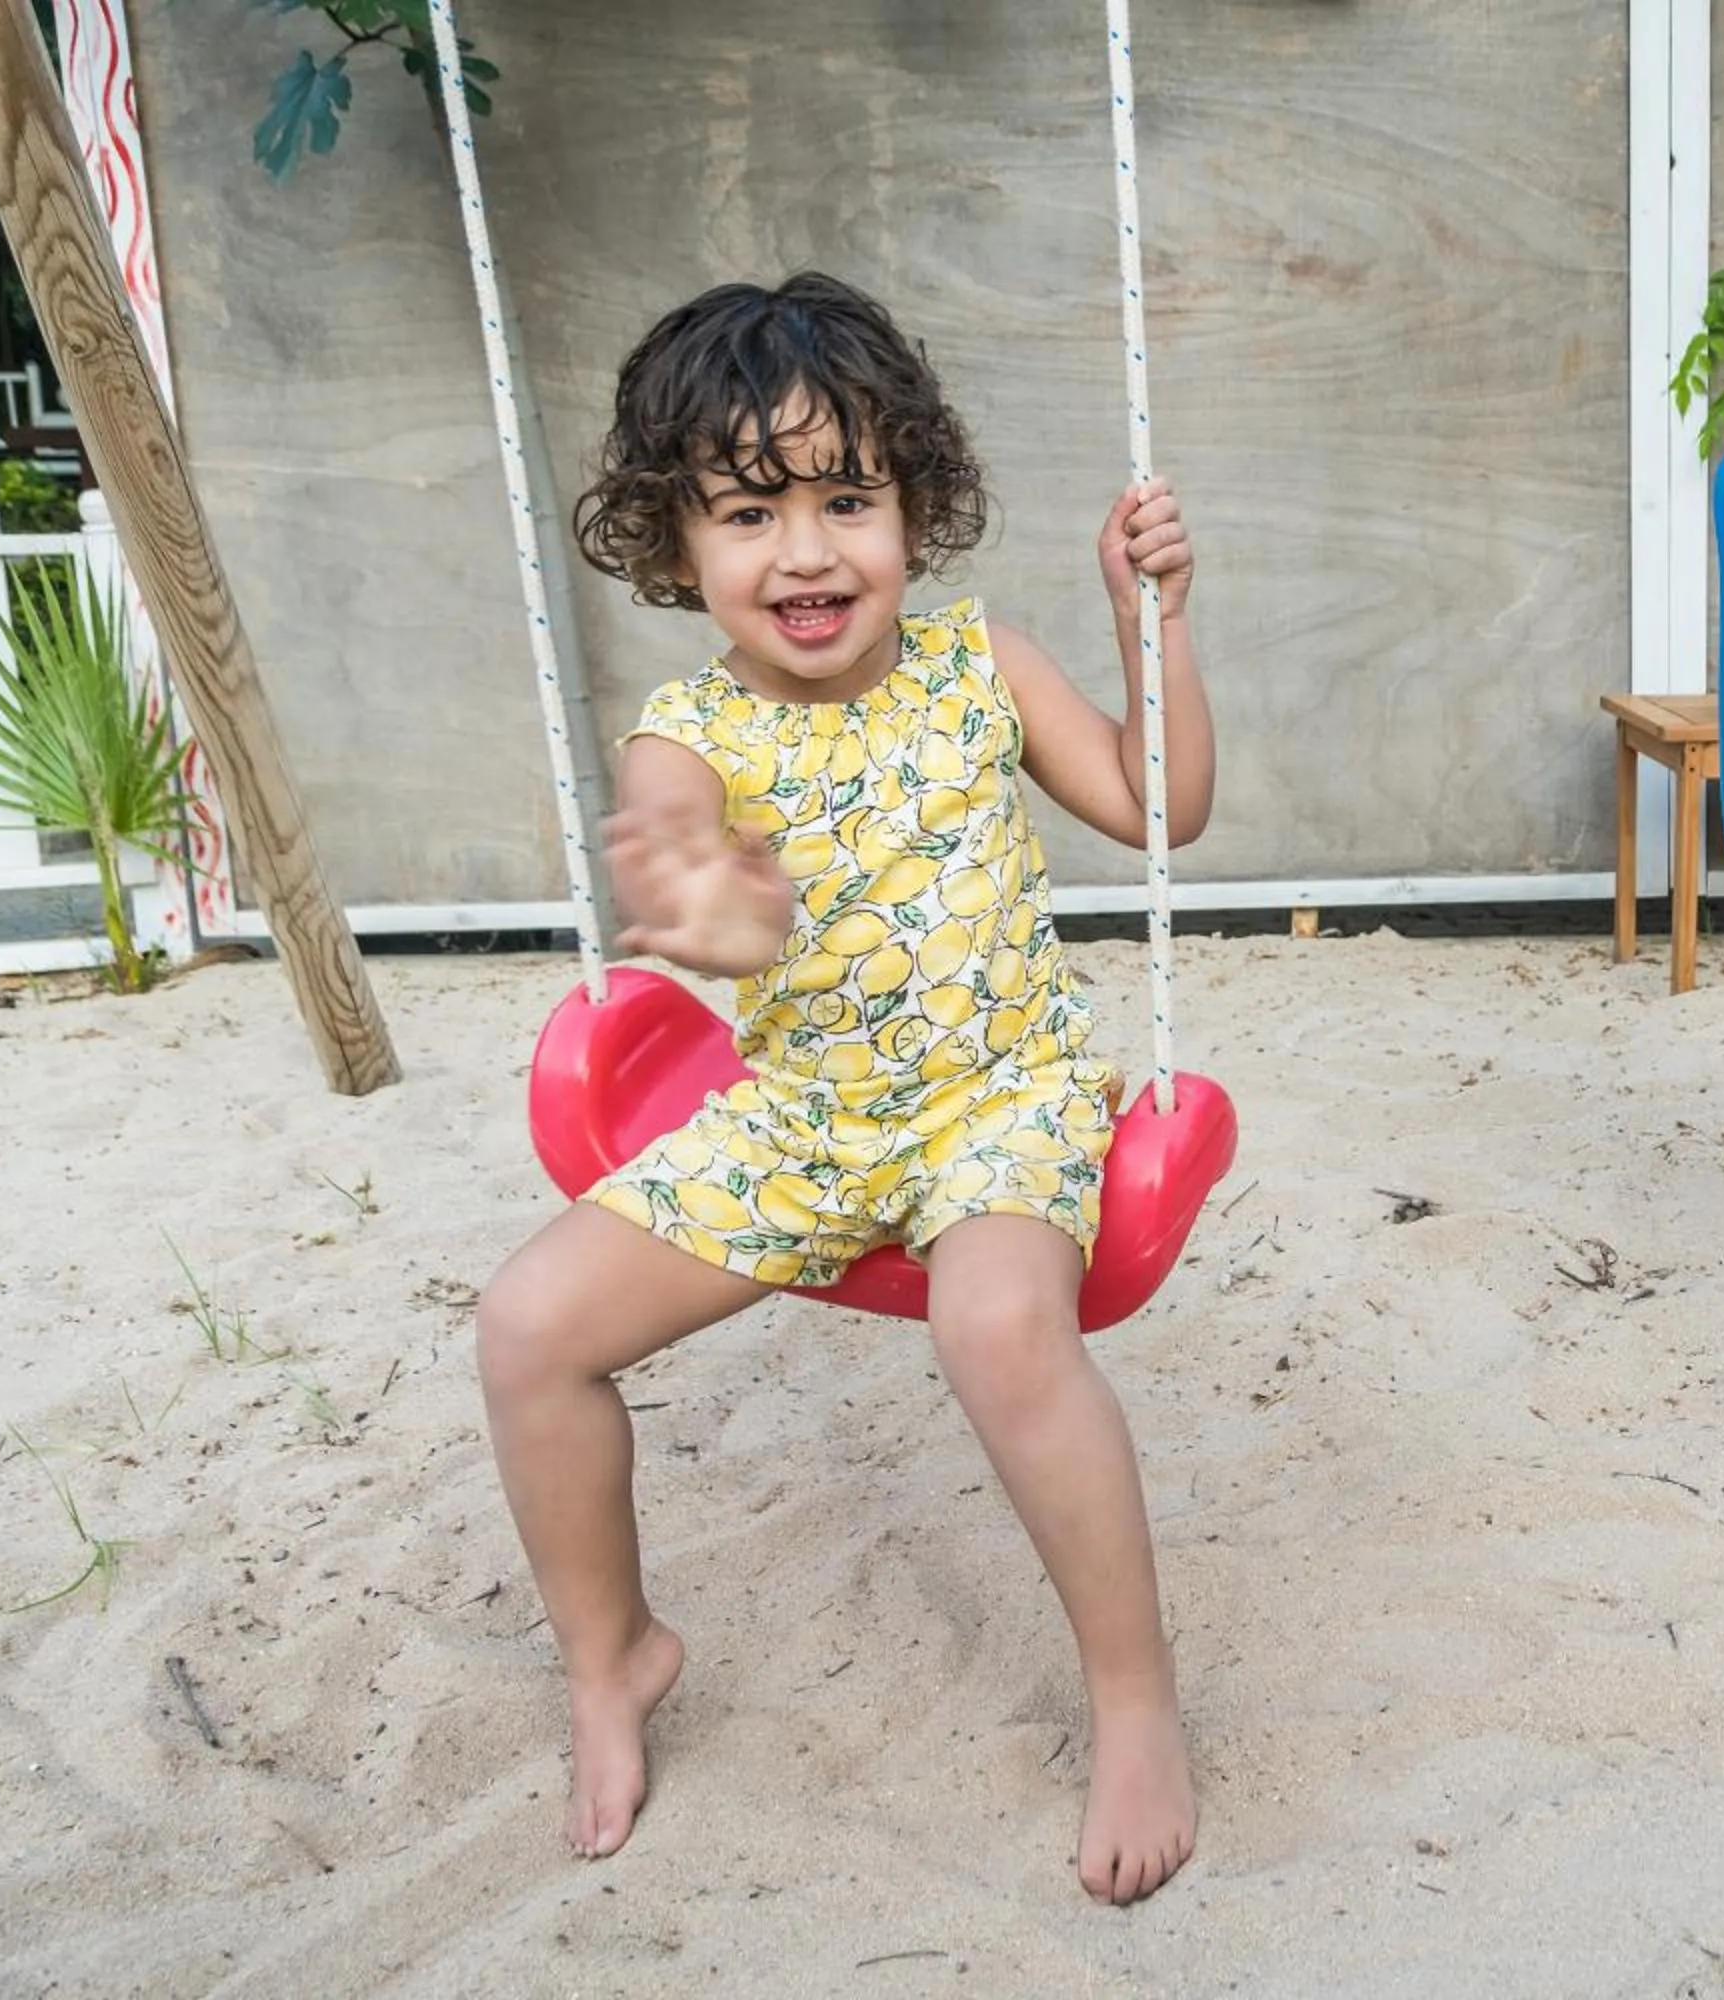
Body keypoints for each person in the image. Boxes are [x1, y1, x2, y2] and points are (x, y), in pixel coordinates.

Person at [474, 271, 1212, 1902]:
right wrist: (707, 901)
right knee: (527, 1333)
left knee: (1002, 1324)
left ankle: (1133, 1694)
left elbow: (1161, 808)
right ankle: (614, 1656)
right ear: (677, 549)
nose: (805, 552)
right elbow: (684, 858)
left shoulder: (981, 664)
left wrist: (1146, 619)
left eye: (848, 499)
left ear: (913, 510)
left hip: (997, 1100)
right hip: (806, 1124)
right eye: (749, 513)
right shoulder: (689, 729)